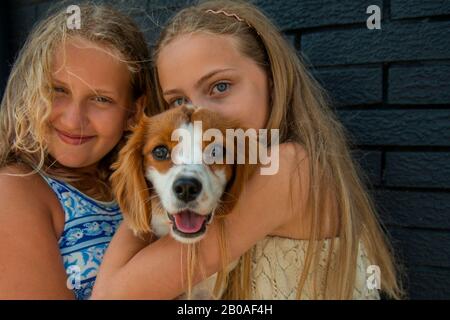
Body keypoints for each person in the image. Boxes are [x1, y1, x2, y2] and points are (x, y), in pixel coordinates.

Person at [92, 0, 403, 299]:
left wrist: (146, 193)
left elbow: (110, 295)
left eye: (220, 86)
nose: (200, 117)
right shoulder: (232, 171)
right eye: (179, 102)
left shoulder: (286, 167)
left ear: (272, 80)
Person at [0, 4, 157, 299]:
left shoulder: (144, 183)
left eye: (100, 99)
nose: (73, 120)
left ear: (134, 111)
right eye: (58, 90)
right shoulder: (16, 190)